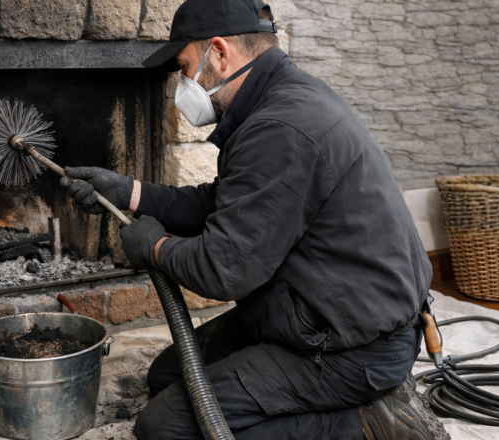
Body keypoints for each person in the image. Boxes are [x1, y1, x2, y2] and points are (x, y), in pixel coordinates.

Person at [60, 0, 450, 439]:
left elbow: (223, 269)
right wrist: (130, 192)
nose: (184, 85)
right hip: (312, 313)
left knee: (165, 427)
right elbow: (227, 202)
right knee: (167, 377)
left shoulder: (282, 126)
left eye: (187, 68)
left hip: (350, 349)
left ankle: (368, 423)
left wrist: (154, 247)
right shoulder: (280, 100)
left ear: (221, 53)